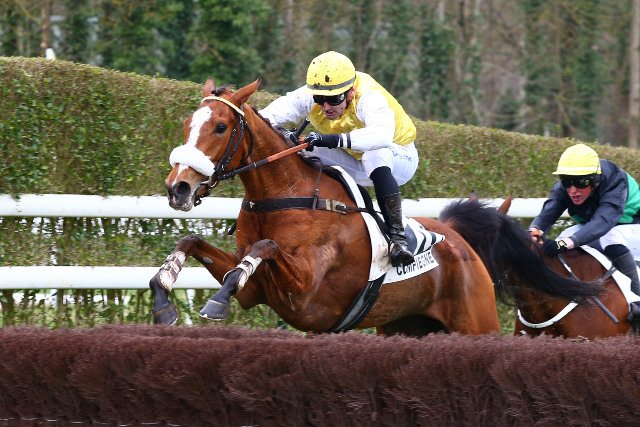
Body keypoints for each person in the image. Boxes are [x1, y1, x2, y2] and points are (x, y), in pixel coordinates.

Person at [259, 51, 419, 267]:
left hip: (399, 158)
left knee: (374, 153)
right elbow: (264, 118)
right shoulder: (308, 96)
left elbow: (381, 135)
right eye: (319, 100)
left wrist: (333, 140)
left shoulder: (369, 96)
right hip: (357, 162)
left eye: (333, 100)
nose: (326, 107)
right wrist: (279, 135)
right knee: (301, 148)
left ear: (351, 91)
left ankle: (398, 240)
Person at [528, 143, 640, 322]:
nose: (573, 190)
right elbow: (549, 211)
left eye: (581, 182)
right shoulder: (566, 188)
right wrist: (533, 231)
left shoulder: (615, 182)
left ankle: (637, 300)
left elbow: (603, 222)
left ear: (595, 180)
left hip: (632, 226)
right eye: (567, 182)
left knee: (610, 237)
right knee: (564, 235)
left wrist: (564, 244)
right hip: (604, 228)